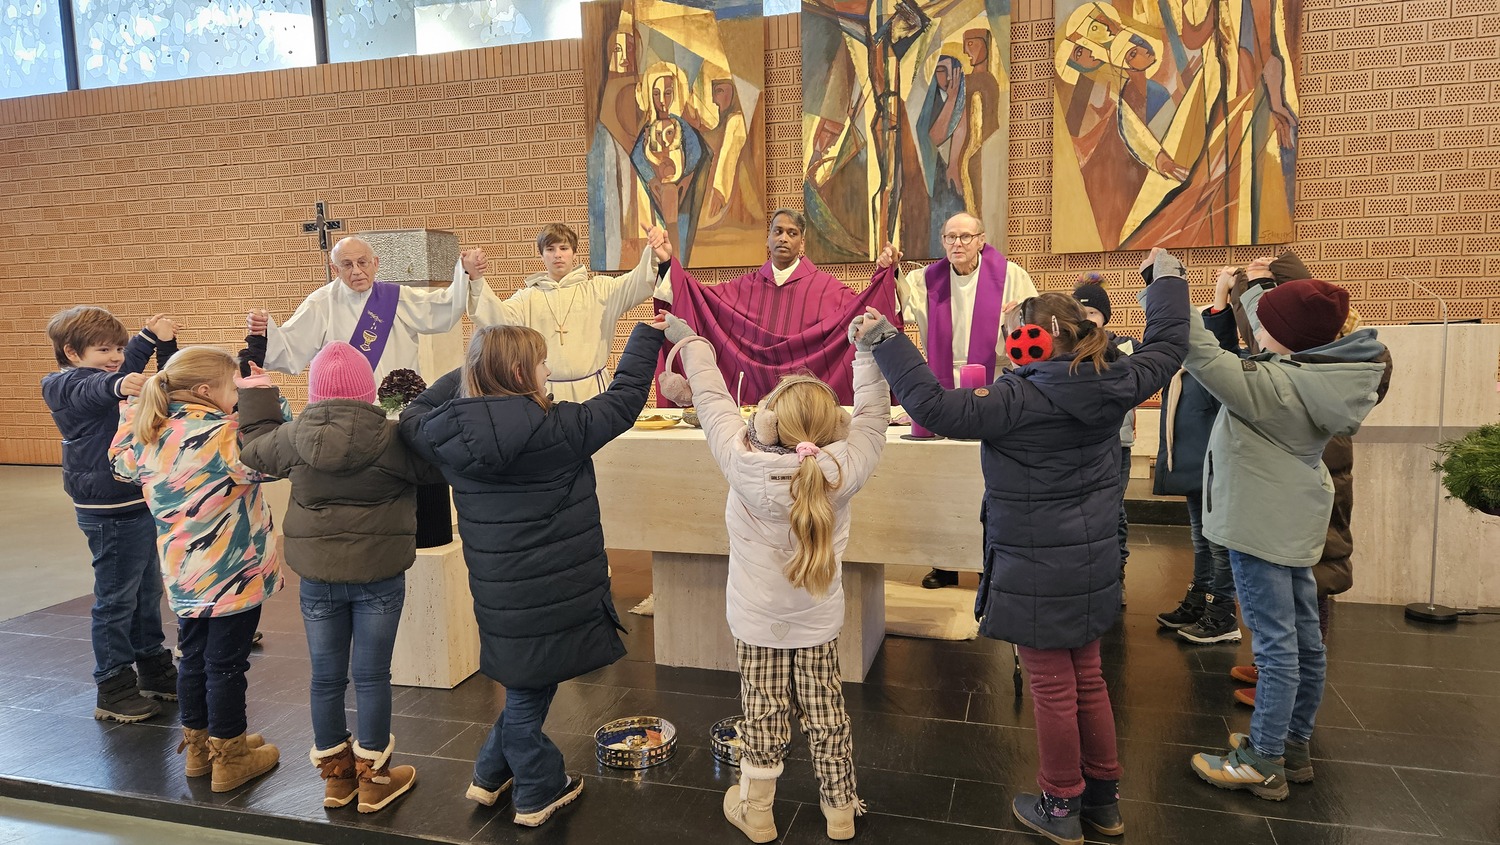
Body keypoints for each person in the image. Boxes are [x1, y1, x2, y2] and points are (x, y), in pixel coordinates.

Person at [856, 249, 1190, 844]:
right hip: (1090, 560)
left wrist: (885, 340)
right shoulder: (1113, 379)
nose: (1010, 345)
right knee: (1087, 676)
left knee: (1053, 687)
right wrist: (1165, 281)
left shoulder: (1018, 400)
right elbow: (1168, 346)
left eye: (1015, 335)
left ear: (1039, 339)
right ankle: (1104, 801)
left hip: (1036, 563)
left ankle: (1061, 804)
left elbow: (932, 406)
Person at [398, 318, 667, 827]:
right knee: (529, 689)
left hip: (500, 593)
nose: (549, 371)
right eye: (543, 362)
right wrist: (646, 336)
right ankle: (539, 790)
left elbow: (415, 410)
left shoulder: (440, 434)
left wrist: (477, 367)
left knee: (527, 678)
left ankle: (488, 773)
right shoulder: (561, 427)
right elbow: (627, 398)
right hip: (556, 586)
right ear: (523, 370)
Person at [659, 313, 889, 842]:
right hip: (818, 618)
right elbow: (874, 414)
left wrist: (689, 342)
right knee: (826, 711)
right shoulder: (845, 466)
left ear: (766, 421)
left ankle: (758, 812)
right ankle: (839, 812)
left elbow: (714, 399)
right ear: (834, 426)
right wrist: (868, 355)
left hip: (756, 619)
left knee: (761, 711)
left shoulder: (740, 460)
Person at [1184, 271, 1390, 801]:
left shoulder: (1276, 386)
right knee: (1303, 641)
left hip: (1259, 528)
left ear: (1286, 335)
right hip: (1292, 523)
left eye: (1267, 323)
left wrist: (1165, 281)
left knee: (1276, 648)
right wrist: (1254, 292)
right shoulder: (1321, 373)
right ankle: (1292, 744)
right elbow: (1278, 324)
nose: (1259, 329)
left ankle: (1264, 759)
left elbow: (1200, 353)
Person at [237, 341, 444, 813]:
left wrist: (257, 391)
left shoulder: (292, 438)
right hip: (380, 575)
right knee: (372, 676)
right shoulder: (395, 438)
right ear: (368, 391)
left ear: (314, 393)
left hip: (319, 579)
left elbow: (253, 448)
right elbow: (436, 464)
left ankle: (337, 779)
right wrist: (420, 411)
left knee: (325, 679)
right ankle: (375, 778)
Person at [109, 346, 283, 793]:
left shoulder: (149, 433)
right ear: (207, 391)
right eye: (233, 386)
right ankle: (231, 756)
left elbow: (119, 463)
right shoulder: (225, 435)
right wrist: (265, 396)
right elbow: (277, 455)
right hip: (233, 573)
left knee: (193, 659)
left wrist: (129, 412)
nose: (236, 394)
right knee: (226, 664)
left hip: (184, 574)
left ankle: (201, 747)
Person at [875, 211, 1039, 589]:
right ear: (943, 241)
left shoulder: (1012, 276)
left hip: (993, 386)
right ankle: (944, 563)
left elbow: (1029, 331)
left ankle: (985, 561)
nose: (958, 245)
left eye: (966, 237)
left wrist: (1010, 322)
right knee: (939, 479)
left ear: (982, 239)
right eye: (950, 237)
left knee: (984, 479)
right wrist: (889, 269)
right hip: (941, 388)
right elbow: (898, 302)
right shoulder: (927, 279)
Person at [42, 307, 180, 723]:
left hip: (136, 501)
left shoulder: (109, 373)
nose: (116, 355)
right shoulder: (61, 384)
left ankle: (151, 666)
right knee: (115, 599)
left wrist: (155, 342)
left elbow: (125, 373)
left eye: (118, 348)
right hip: (107, 508)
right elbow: (98, 388)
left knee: (146, 592)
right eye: (103, 349)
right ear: (71, 351)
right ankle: (113, 683)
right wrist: (132, 360)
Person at [654, 208, 900, 406]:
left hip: (805, 408)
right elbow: (700, 298)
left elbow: (866, 312)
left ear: (802, 243)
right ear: (768, 238)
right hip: (750, 404)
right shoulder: (743, 288)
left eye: (792, 233)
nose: (783, 238)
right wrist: (667, 263)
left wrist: (886, 275)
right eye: (778, 231)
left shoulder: (828, 289)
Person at [463, 223, 671, 400]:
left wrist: (652, 249)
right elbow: (497, 318)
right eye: (550, 249)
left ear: (574, 252)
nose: (558, 255)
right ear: (541, 255)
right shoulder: (527, 298)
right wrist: (476, 278)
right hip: (545, 391)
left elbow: (637, 281)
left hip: (593, 390)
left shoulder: (599, 290)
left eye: (564, 248)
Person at [1153, 267, 1244, 643]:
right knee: (1201, 538)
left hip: (1215, 466)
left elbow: (1221, 343)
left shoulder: (1218, 367)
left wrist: (1222, 294)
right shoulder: (1182, 371)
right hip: (1193, 466)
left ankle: (1221, 612)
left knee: (1218, 542)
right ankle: (1200, 597)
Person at [248, 235, 471, 382]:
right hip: (344, 411)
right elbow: (290, 348)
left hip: (396, 406)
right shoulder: (321, 303)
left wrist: (465, 274)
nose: (356, 271)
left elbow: (441, 307)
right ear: (334, 269)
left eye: (362, 262)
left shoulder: (397, 297)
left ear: (375, 263)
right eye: (347, 265)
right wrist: (266, 330)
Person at [1073, 275, 1138, 605]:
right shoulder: (1065, 350)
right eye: (1079, 315)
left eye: (1093, 315)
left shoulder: (1122, 345)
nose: (1086, 322)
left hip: (1117, 442)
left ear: (1105, 317)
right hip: (1078, 442)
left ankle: (1117, 575)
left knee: (1114, 512)